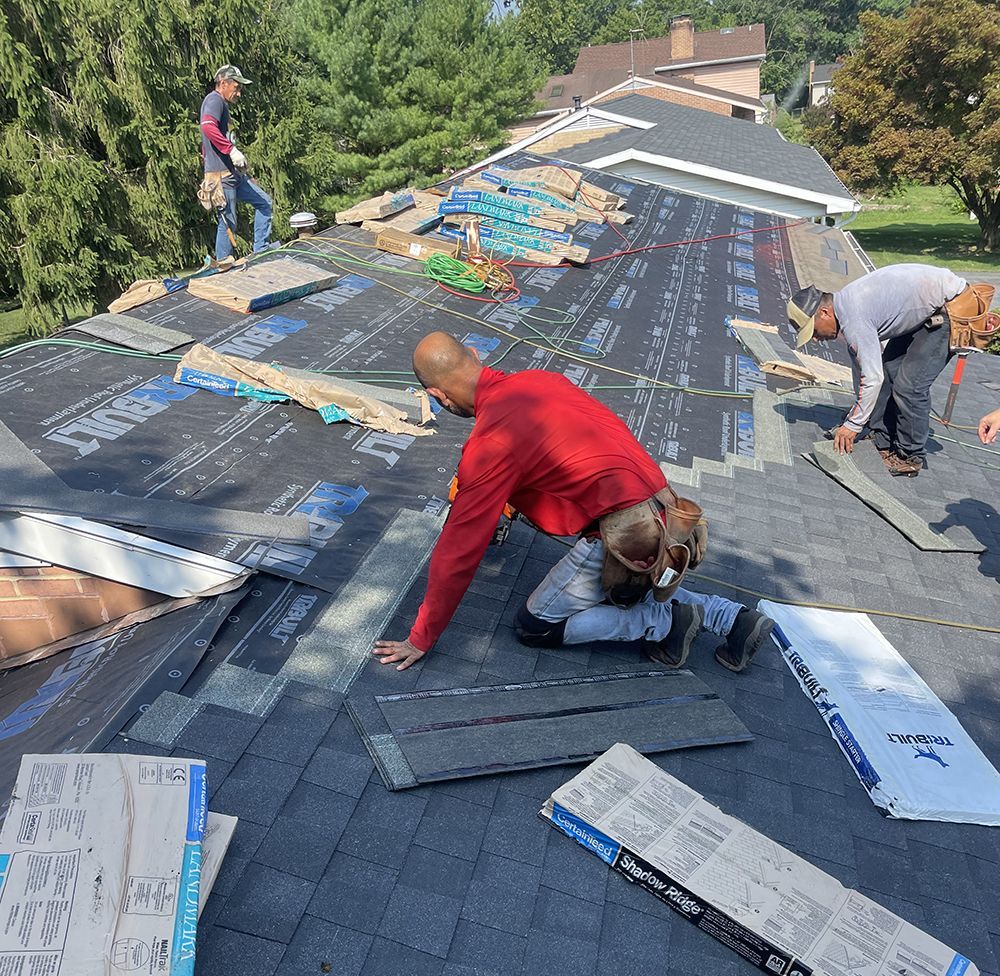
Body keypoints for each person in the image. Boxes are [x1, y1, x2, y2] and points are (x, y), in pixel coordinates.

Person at [373, 333, 774, 673]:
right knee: (631, 583)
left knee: (536, 626)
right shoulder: (540, 380)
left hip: (622, 535)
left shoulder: (492, 441)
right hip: (669, 515)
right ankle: (733, 619)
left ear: (437, 396)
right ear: (476, 356)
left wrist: (422, 636)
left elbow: (459, 549)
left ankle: (665, 621)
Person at [787, 264, 968, 478]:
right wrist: (860, 417)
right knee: (890, 370)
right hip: (929, 305)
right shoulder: (846, 306)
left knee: (909, 387)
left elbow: (872, 379)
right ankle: (882, 436)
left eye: (814, 331)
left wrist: (853, 425)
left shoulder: (854, 318)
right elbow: (865, 370)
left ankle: (909, 455)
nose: (816, 339)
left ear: (824, 312)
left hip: (952, 307)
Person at [199, 65, 273, 263]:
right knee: (228, 223)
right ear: (223, 83)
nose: (239, 93)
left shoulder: (221, 105)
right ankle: (223, 267)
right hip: (221, 177)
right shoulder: (214, 100)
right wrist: (230, 150)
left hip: (232, 175)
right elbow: (207, 126)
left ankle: (260, 252)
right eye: (236, 87)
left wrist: (244, 173)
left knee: (264, 202)